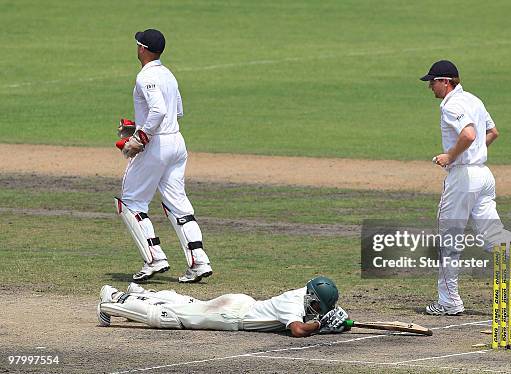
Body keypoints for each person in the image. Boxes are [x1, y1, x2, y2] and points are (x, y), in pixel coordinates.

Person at [420, 60, 511, 316]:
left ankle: (449, 302)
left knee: (448, 242)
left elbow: (470, 135)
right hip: (484, 176)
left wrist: (451, 156)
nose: (430, 86)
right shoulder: (474, 100)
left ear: (446, 81)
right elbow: (493, 132)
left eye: (433, 81)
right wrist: (474, 153)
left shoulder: (452, 105)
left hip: (463, 178)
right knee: (493, 235)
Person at [114, 29, 212, 283]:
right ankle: (199, 261)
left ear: (142, 49)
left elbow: (158, 110)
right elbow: (174, 112)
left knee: (130, 202)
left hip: (156, 146)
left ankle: (154, 258)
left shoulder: (145, 76)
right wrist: (137, 126)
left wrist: (140, 137)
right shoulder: (168, 74)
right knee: (178, 204)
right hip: (176, 143)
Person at [97, 276, 350, 337]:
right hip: (231, 316)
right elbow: (297, 330)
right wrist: (320, 324)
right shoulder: (292, 302)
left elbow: (322, 316)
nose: (317, 308)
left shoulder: (305, 294)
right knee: (171, 318)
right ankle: (112, 301)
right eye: (316, 304)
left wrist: (332, 320)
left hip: (240, 305)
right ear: (310, 296)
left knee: (190, 304)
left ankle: (141, 293)